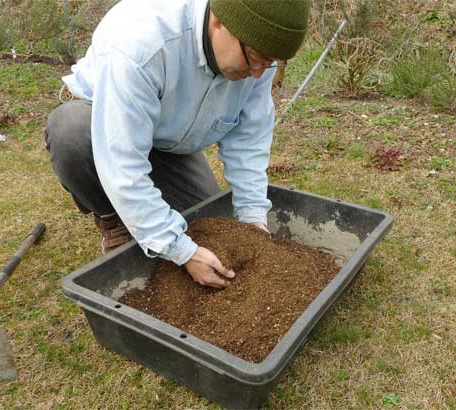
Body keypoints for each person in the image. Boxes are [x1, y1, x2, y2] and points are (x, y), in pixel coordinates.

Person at [44, 0, 310, 289]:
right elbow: (122, 164)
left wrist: (252, 217)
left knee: (207, 223)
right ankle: (113, 219)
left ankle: (150, 218)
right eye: (255, 59)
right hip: (102, 126)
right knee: (70, 130)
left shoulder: (255, 58)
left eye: (268, 63)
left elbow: (249, 139)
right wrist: (182, 252)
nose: (259, 73)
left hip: (169, 141)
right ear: (219, 21)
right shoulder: (141, 43)